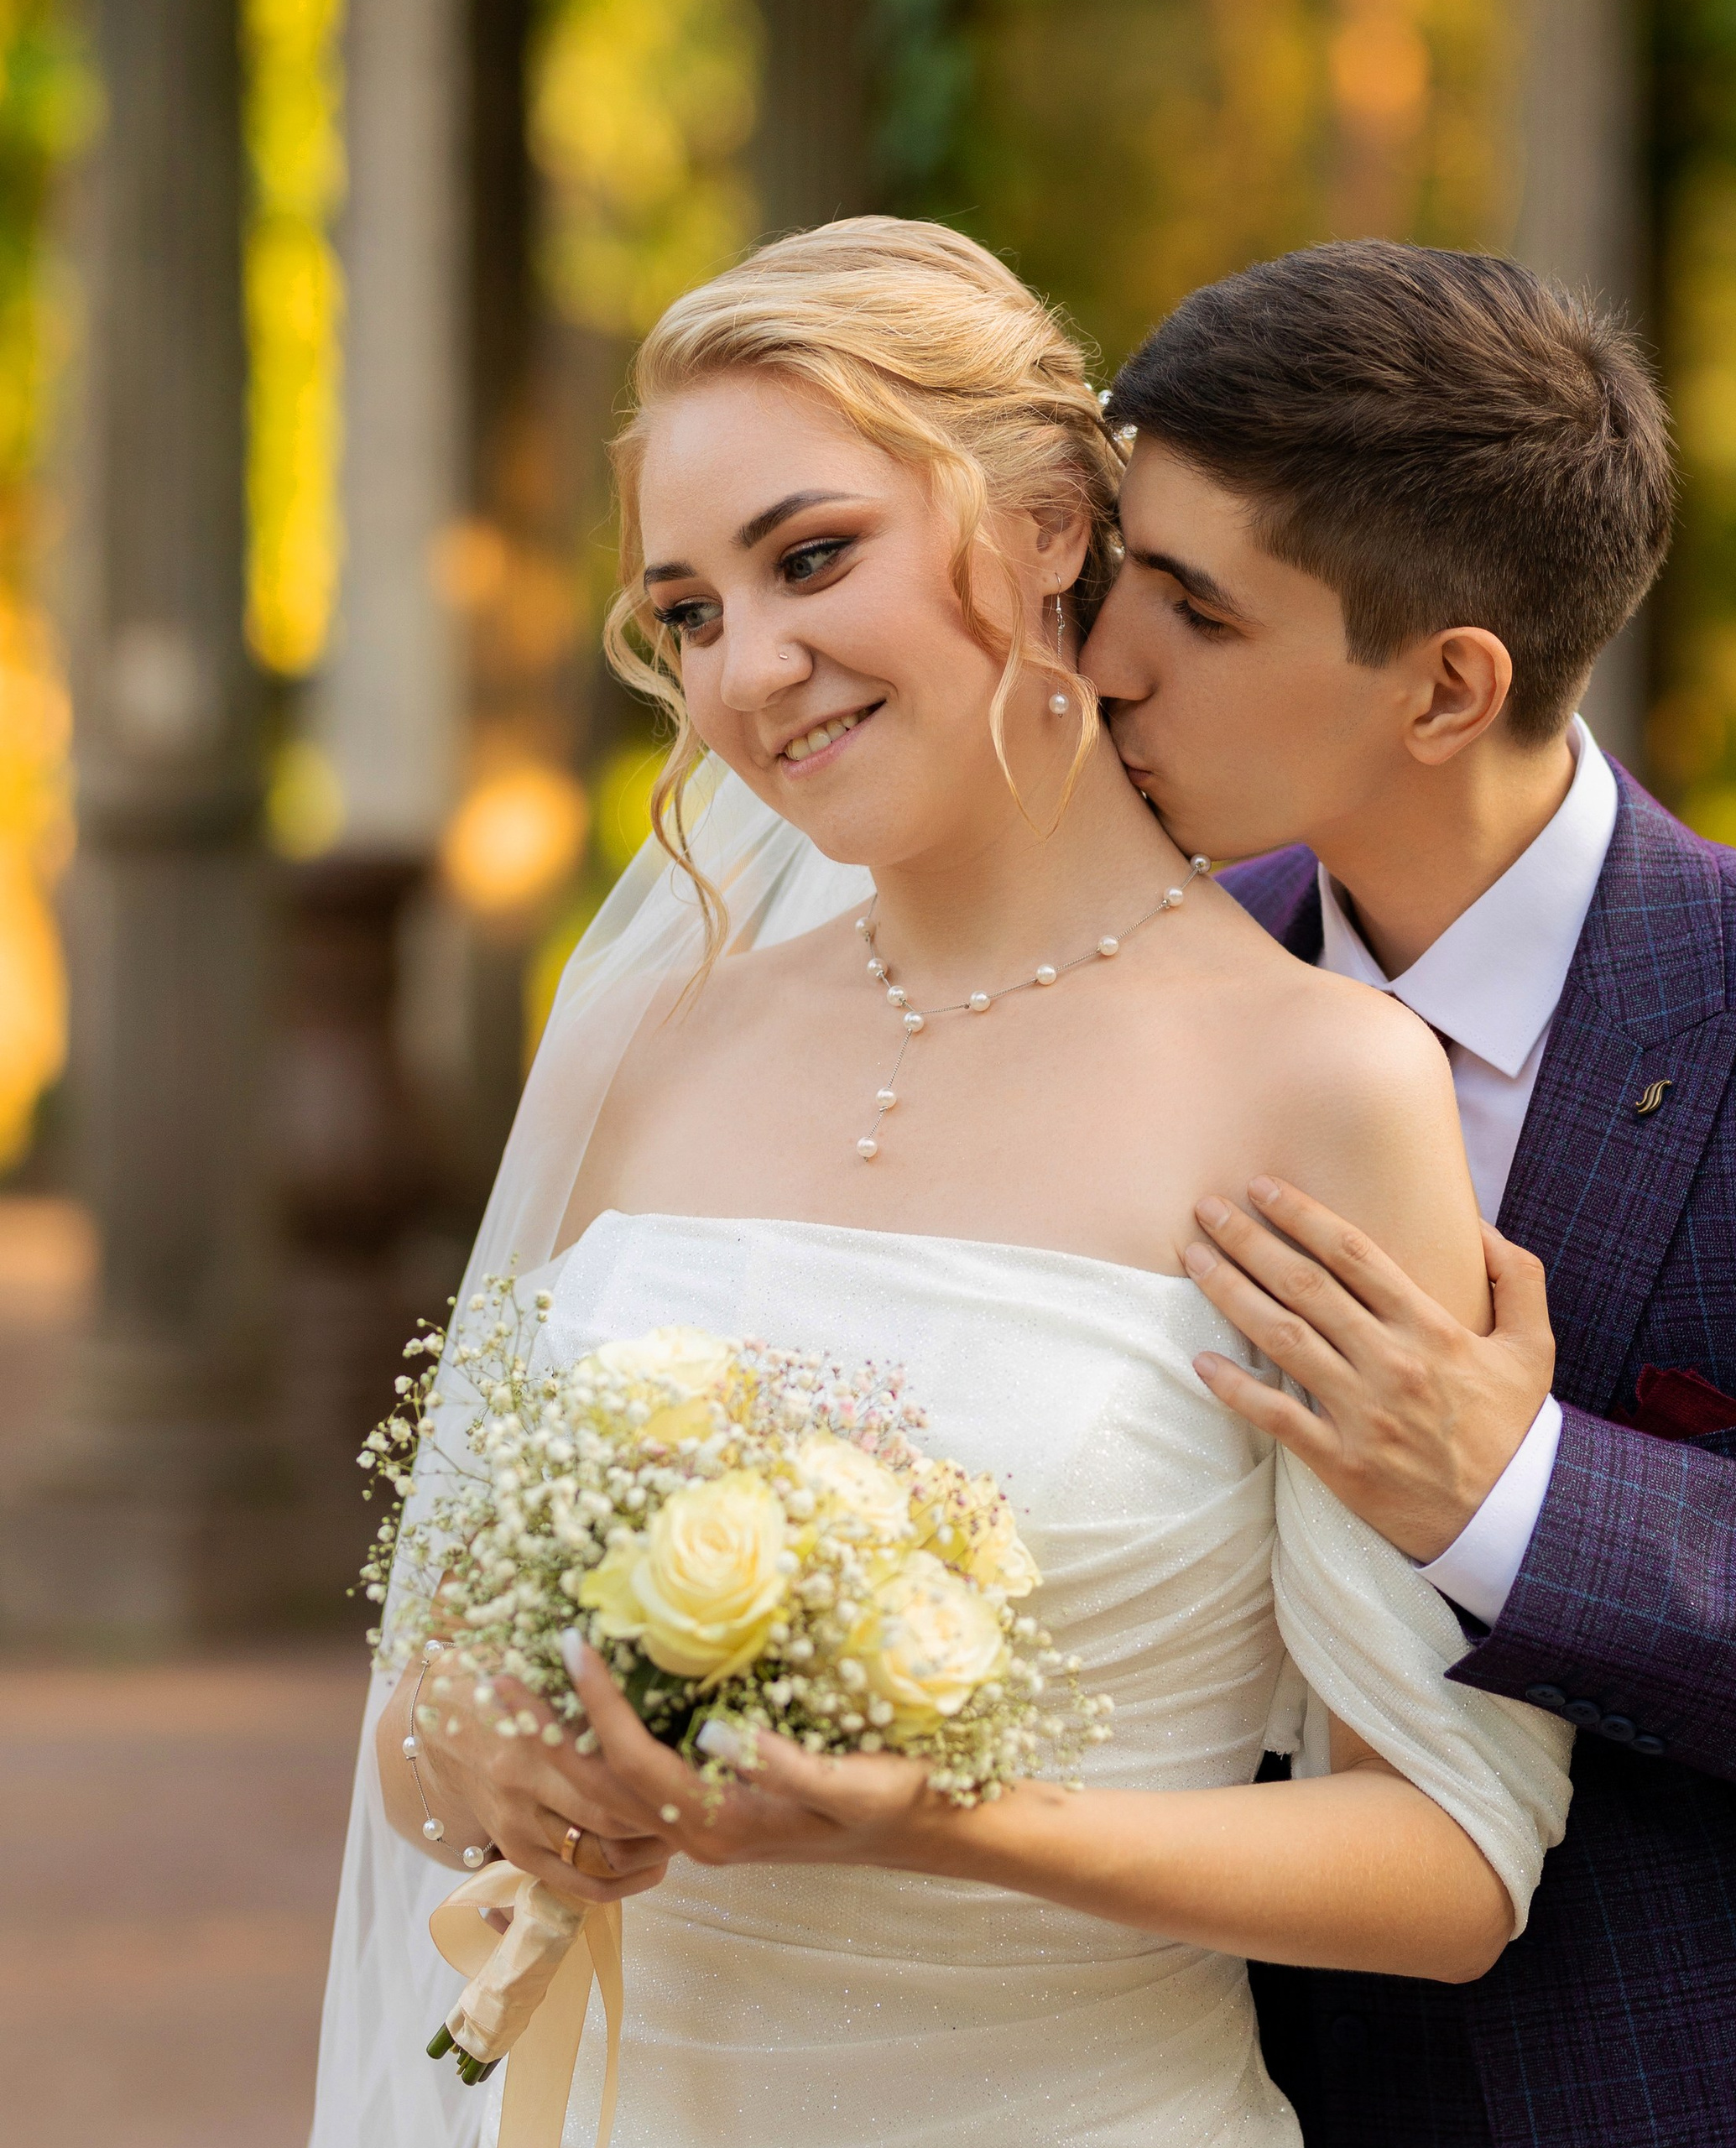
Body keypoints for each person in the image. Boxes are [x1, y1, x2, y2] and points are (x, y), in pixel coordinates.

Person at [309, 218, 1572, 2148]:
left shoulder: (1318, 1077)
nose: (753, 668)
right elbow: (428, 1709)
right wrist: (470, 1745)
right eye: (689, 611)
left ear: (1052, 521)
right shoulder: (652, 1040)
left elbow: (1453, 1856)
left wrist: (972, 1822)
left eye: (811, 557)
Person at [1087, 242, 1736, 2145]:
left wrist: (1524, 1503)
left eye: (1189, 605)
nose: (1101, 658)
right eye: (1113, 575)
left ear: (1444, 686)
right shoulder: (1134, 992)